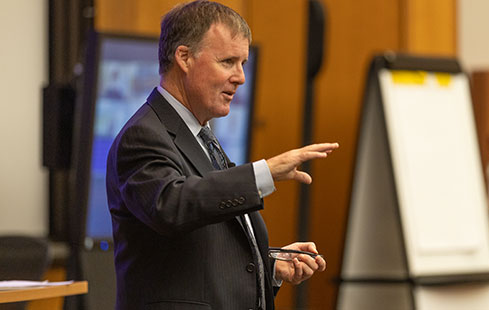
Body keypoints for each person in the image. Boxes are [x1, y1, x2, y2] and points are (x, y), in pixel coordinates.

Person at [106, 1, 339, 309]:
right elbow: (174, 205)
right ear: (184, 57)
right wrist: (264, 172)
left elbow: (204, 254)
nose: (240, 77)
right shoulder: (143, 136)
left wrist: (269, 267)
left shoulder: (202, 136)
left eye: (243, 63)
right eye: (228, 62)